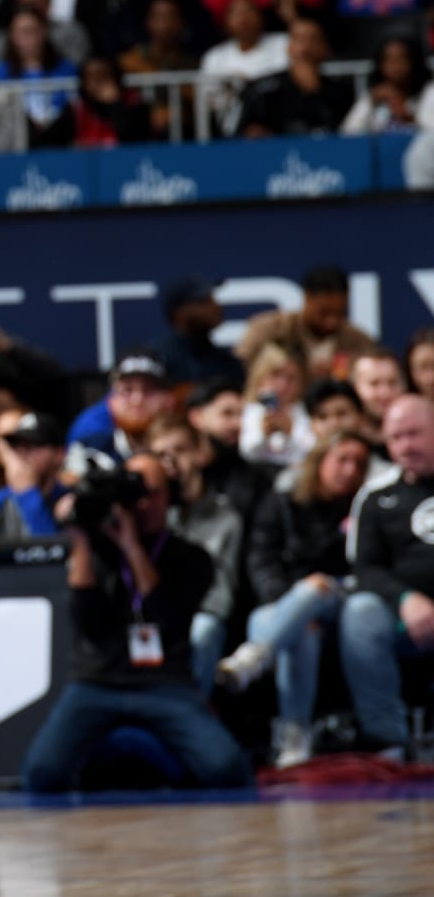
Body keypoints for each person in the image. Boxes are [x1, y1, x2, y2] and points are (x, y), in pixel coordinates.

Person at [20, 455, 252, 793]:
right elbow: (89, 624)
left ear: (169, 497)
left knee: (226, 769)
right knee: (41, 774)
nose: (141, 505)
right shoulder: (96, 553)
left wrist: (130, 546)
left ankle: (157, 762)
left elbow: (165, 615)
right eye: (133, 496)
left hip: (163, 683)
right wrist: (81, 542)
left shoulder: (190, 557)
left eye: (151, 494)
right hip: (97, 682)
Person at [219, 430, 371, 767]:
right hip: (282, 609)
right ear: (320, 461)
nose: (350, 470)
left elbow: (367, 568)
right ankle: (294, 736)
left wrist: (308, 592)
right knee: (302, 628)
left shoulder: (367, 506)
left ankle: (255, 656)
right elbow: (262, 560)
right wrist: (291, 605)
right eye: (342, 460)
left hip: (343, 603)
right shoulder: (284, 502)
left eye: (359, 463)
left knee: (313, 588)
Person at [338, 395, 434, 755]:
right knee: (360, 611)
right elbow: (364, 569)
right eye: (396, 438)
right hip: (404, 620)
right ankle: (388, 740)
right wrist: (407, 600)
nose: (405, 446)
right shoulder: (375, 495)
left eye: (414, 434)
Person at [149, 417, 244, 694]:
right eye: (160, 455)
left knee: (204, 629)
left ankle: (193, 709)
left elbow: (222, 594)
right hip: (154, 612)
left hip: (201, 614)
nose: (171, 462)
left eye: (180, 450)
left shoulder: (226, 517)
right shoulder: (148, 513)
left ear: (199, 453)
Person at [236, 264, 380, 381]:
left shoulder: (359, 341)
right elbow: (239, 371)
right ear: (307, 298)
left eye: (340, 313)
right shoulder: (269, 330)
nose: (332, 321)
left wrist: (344, 375)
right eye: (324, 312)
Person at [0, 411, 71, 539]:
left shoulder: (71, 503)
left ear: (60, 454)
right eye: (18, 445)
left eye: (34, 445)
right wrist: (27, 493)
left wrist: (28, 495)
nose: (23, 453)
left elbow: (53, 554)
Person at [67, 352, 176, 473]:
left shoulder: (183, 452)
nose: (137, 400)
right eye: (127, 391)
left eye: (149, 390)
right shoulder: (89, 450)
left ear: (169, 400)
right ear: (111, 401)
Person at [147, 276, 244, 387]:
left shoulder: (228, 364)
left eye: (213, 299)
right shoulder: (154, 359)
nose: (216, 306)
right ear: (179, 312)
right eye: (203, 301)